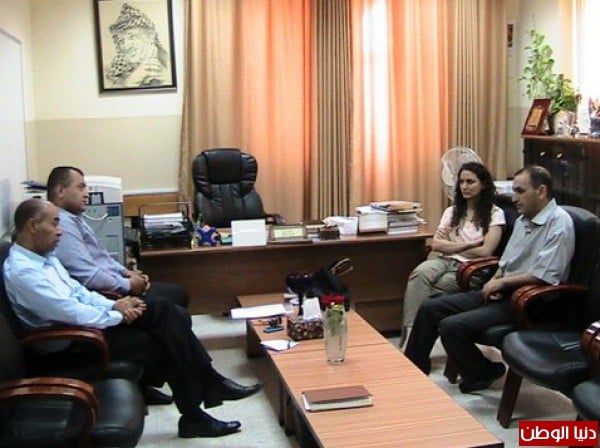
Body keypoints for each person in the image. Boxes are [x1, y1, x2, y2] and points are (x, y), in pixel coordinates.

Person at [4, 198, 263, 439]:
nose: (60, 231)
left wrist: (115, 304)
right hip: (67, 346)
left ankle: (202, 400)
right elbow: (70, 312)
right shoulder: (24, 272)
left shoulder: (44, 258)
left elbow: (80, 293)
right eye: (54, 224)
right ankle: (204, 395)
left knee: (166, 315)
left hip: (85, 328)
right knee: (164, 335)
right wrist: (118, 315)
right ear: (33, 225)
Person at [404, 165, 575, 393]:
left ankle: (484, 372)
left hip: (530, 301)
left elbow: (544, 276)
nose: (514, 198)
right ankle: (413, 369)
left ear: (541, 191)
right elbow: (506, 261)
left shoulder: (559, 224)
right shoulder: (524, 219)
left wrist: (502, 282)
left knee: (451, 326)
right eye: (514, 191)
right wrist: (494, 279)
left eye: (520, 191)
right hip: (506, 291)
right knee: (430, 308)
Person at [47, 165, 186, 405]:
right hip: (101, 301)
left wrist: (127, 272)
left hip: (105, 297)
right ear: (60, 191)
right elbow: (87, 276)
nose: (87, 193)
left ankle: (150, 382)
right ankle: (189, 387)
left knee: (176, 299)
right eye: (81, 187)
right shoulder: (63, 227)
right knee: (173, 310)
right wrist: (127, 287)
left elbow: (101, 258)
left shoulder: (73, 220)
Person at [401, 162, 506, 343]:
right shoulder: (452, 211)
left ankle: (417, 341)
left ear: (483, 184)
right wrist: (467, 245)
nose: (464, 186)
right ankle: (411, 334)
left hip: (470, 269)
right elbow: (436, 245)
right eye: (461, 182)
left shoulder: (495, 213)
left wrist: (451, 243)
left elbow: (485, 251)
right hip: (444, 260)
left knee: (434, 290)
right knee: (418, 275)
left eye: (470, 182)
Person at [104, 3, 171, 88]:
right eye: (121, 41)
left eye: (132, 37)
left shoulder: (170, 65)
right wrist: (130, 83)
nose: (125, 46)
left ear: (151, 36)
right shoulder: (112, 73)